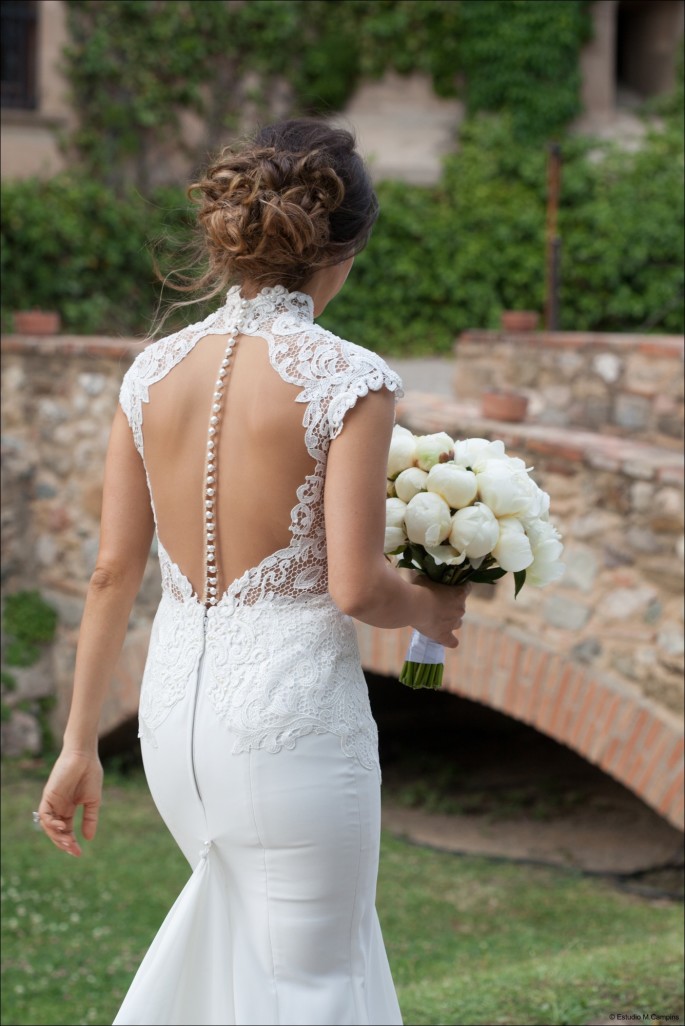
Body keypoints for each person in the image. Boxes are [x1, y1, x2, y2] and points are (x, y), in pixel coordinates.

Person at [36, 118, 469, 1026]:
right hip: (287, 727)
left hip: (175, 728)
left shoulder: (150, 372)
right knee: (314, 984)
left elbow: (113, 572)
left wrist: (79, 747)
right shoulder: (352, 378)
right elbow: (356, 588)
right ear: (341, 246)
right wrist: (436, 599)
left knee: (239, 958)